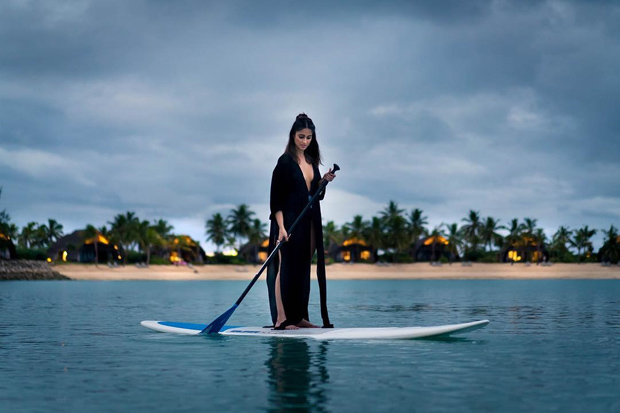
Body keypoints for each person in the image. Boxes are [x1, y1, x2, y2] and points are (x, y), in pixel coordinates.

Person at [266, 113, 336, 330]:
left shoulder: (311, 161)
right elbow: (276, 198)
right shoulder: (285, 161)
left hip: (309, 221)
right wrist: (281, 227)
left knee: (302, 268)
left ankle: (297, 317)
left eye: (309, 137)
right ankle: (281, 319)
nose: (305, 141)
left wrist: (323, 181)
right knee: (285, 268)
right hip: (287, 221)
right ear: (293, 136)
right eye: (301, 136)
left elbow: (313, 194)